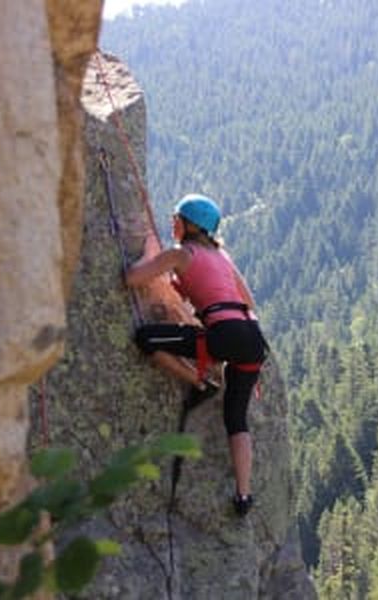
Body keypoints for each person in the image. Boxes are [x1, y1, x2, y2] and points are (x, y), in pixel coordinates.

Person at [124, 194, 267, 516]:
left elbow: (132, 278)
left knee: (146, 338)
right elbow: (248, 301)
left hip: (223, 335)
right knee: (236, 418)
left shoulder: (180, 253)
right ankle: (244, 496)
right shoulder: (222, 256)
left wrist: (149, 255)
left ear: (188, 224)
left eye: (176, 218)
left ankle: (200, 384)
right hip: (252, 338)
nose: (172, 223)